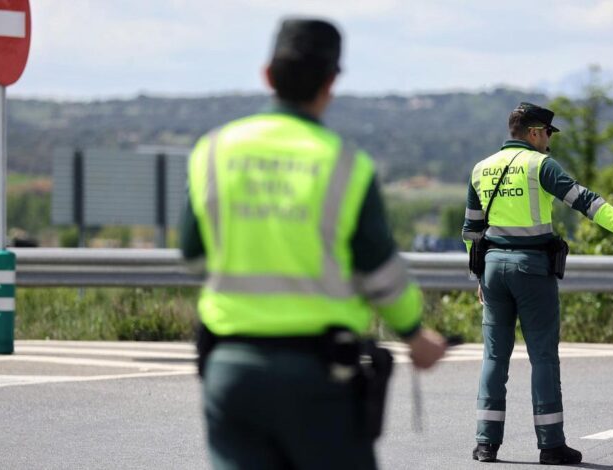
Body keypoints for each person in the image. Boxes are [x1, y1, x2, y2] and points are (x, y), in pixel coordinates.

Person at [182, 18, 449, 470]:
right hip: (320, 378)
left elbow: (193, 254)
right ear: (331, 82)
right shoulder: (346, 165)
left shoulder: (214, 150)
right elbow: (381, 272)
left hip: (231, 371)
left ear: (267, 75)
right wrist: (415, 335)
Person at [462, 102, 613, 465]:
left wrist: (478, 277)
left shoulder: (481, 169)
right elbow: (586, 201)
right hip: (531, 270)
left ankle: (486, 444)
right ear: (535, 132)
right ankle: (551, 445)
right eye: (548, 134)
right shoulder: (541, 165)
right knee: (543, 359)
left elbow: (471, 231)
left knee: (493, 357)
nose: (549, 143)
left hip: (492, 269)